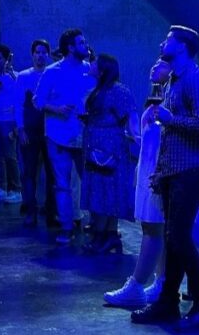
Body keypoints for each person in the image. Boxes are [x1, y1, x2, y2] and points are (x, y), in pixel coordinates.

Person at [131, 26, 199, 332]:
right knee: (173, 239)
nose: (162, 41)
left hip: (193, 170)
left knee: (179, 238)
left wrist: (171, 119)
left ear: (183, 46)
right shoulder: (174, 80)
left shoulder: (197, 79)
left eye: (168, 39)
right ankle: (167, 303)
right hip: (175, 171)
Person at [105, 58, 172, 307]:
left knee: (153, 229)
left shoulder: (173, 98)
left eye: (161, 63)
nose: (154, 65)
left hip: (159, 172)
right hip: (149, 170)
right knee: (158, 230)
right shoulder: (158, 95)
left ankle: (136, 285)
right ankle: (161, 281)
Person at [34, 29, 93, 244]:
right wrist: (57, 108)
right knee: (62, 184)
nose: (86, 45)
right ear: (70, 47)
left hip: (85, 135)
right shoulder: (52, 72)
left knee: (89, 182)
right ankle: (66, 227)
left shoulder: (90, 70)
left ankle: (94, 226)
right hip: (59, 136)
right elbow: (37, 101)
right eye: (81, 42)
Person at [81, 53, 137, 254]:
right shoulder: (99, 89)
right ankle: (110, 236)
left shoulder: (118, 90)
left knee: (106, 191)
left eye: (95, 63)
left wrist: (137, 137)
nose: (92, 64)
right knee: (102, 190)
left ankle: (103, 236)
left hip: (109, 147)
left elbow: (130, 115)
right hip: (97, 143)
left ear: (104, 69)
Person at [16, 39, 58, 227]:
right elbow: (17, 105)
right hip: (31, 130)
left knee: (52, 174)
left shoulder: (53, 74)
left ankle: (51, 213)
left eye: (43, 52)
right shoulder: (24, 76)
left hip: (50, 130)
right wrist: (20, 129)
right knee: (29, 173)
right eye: (37, 52)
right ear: (32, 54)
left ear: (47, 55)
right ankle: (31, 211)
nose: (40, 56)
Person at [0, 45, 22, 204]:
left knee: (10, 157)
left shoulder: (16, 77)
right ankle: (0, 188)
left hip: (9, 121)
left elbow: (20, 101)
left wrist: (17, 126)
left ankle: (16, 189)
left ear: (7, 59)